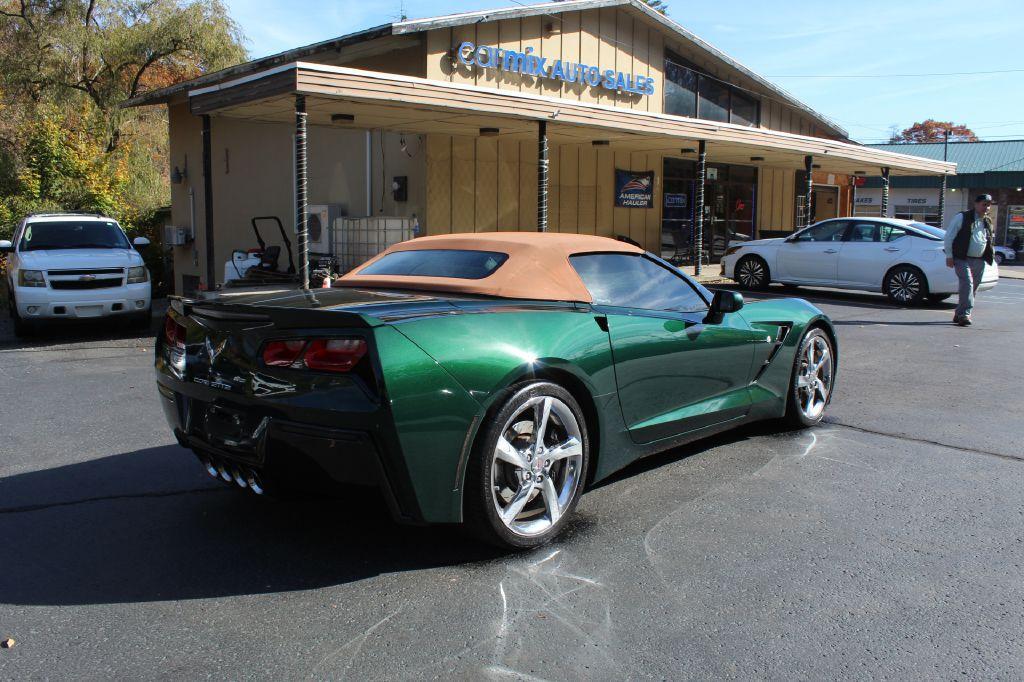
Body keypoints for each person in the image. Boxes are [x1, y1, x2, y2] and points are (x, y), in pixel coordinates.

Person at [944, 194, 995, 326]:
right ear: (976, 204)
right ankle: (965, 314)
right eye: (984, 204)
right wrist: (949, 256)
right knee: (967, 284)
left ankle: (959, 313)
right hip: (962, 257)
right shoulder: (962, 217)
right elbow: (949, 237)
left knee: (973, 288)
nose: (987, 207)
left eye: (988, 205)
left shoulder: (987, 220)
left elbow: (988, 238)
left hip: (979, 259)